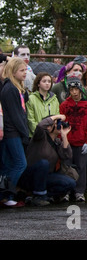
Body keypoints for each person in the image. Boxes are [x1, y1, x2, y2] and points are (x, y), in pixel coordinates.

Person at [17, 115, 76, 205]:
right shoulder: (40, 137)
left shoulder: (57, 142)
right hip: (30, 175)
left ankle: (41, 195)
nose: (60, 125)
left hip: (46, 177)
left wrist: (64, 136)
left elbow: (67, 155)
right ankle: (39, 196)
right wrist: (58, 116)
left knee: (70, 183)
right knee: (44, 163)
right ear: (49, 127)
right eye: (57, 123)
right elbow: (40, 126)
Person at [59, 76, 87, 202]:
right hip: (67, 142)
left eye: (76, 89)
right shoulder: (64, 105)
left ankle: (79, 191)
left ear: (80, 90)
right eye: (71, 89)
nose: (74, 92)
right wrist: (62, 139)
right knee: (66, 167)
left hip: (81, 141)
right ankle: (65, 191)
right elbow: (61, 123)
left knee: (81, 167)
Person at [0, 58, 29, 207]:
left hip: (14, 132)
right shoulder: (10, 89)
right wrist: (25, 133)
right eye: (21, 70)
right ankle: (6, 194)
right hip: (13, 133)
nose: (25, 73)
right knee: (20, 164)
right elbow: (16, 115)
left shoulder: (15, 88)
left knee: (10, 164)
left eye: (25, 70)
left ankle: (6, 195)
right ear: (13, 71)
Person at [26, 72, 60, 137]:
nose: (47, 83)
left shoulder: (54, 99)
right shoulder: (31, 98)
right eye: (44, 81)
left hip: (51, 135)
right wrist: (39, 132)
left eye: (49, 81)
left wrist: (52, 131)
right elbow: (30, 119)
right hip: (36, 136)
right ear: (38, 84)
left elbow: (57, 115)